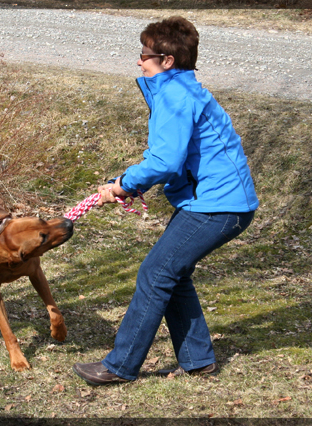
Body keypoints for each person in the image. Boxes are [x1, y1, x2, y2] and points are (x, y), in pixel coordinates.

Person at [72, 16, 259, 386]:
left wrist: (125, 184)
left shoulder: (175, 96)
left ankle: (120, 365)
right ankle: (198, 358)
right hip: (213, 203)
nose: (138, 61)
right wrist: (125, 183)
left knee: (156, 274)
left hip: (218, 206)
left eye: (144, 54)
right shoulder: (179, 90)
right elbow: (173, 158)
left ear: (167, 61)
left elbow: (164, 161)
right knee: (172, 273)